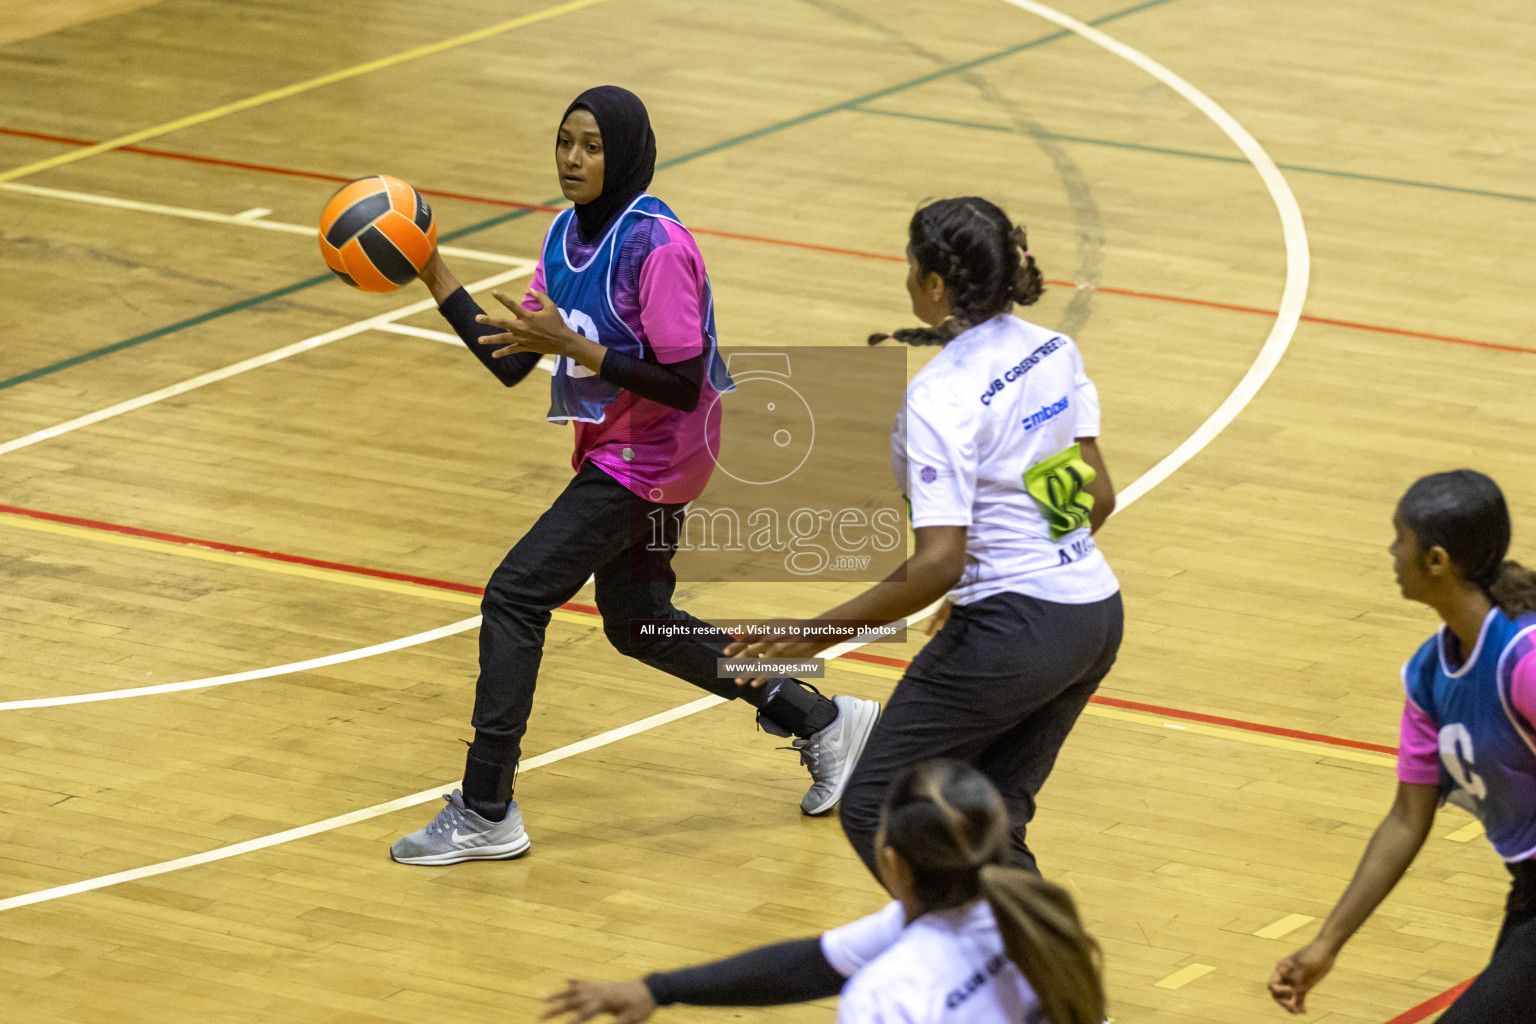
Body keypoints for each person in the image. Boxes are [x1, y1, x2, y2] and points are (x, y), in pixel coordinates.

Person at [389, 85, 880, 866]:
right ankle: (819, 718)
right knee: (638, 621)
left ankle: (486, 807)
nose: (573, 159)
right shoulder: (563, 235)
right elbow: (513, 359)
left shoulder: (657, 246)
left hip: (654, 459)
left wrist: (578, 351)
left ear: (624, 154)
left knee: (515, 594)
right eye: (563, 143)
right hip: (620, 453)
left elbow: (683, 381)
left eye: (590, 146)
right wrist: (430, 267)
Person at [726, 197, 1123, 876]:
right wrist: (995, 572)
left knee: (880, 807)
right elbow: (1098, 494)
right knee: (993, 817)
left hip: (1013, 631)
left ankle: (968, 963)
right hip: (1091, 615)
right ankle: (1036, 974)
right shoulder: (1053, 350)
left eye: (910, 264)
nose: (905, 275)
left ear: (936, 284)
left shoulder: (940, 397)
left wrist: (812, 634)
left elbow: (938, 563)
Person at [541, 759, 1106, 1024]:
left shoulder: (890, 994)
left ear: (893, 864)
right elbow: (811, 964)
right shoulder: (1034, 915)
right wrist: (658, 989)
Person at [1269, 470, 1536, 1020]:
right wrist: (1326, 944)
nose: (1392, 551)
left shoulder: (1523, 660)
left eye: (1401, 538)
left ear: (1437, 560)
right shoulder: (1428, 675)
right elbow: (1406, 821)